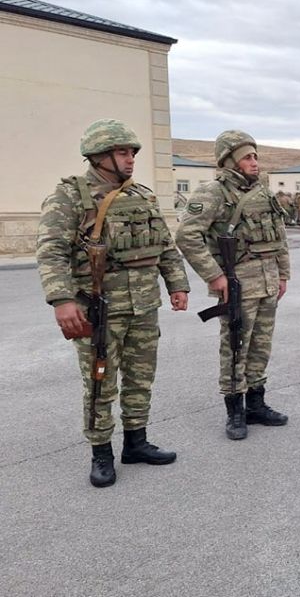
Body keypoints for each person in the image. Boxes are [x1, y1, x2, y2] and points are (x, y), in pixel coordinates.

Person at [36, 119, 190, 488]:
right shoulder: (70, 196)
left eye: (133, 152)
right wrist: (62, 300)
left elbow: (165, 245)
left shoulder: (142, 195)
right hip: (98, 308)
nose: (131, 158)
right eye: (123, 152)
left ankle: (136, 442)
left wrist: (177, 283)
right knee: (99, 383)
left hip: (144, 306)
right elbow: (51, 250)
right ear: (99, 156)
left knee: (140, 377)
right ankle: (101, 452)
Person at [175, 130, 290, 440]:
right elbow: (187, 235)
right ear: (229, 161)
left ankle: (256, 403)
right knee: (235, 347)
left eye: (255, 156)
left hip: (267, 282)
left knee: (260, 346)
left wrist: (283, 275)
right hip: (237, 283)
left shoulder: (263, 193)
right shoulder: (212, 193)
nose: (254, 162)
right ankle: (234, 410)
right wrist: (214, 276)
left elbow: (278, 238)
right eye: (247, 157)